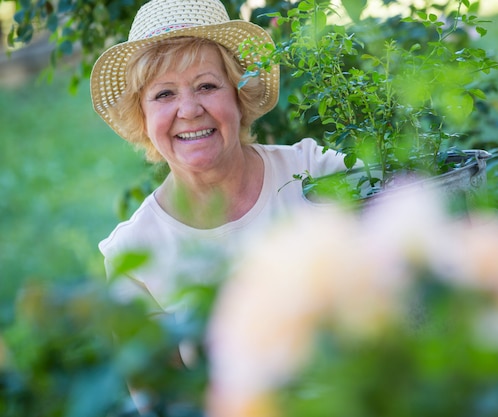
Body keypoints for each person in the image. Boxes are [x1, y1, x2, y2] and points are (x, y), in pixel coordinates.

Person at [90, 0, 347, 313]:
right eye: (164, 94)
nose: (189, 110)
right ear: (141, 116)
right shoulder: (131, 255)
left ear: (240, 97)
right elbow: (155, 362)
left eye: (207, 86)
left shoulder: (313, 170)